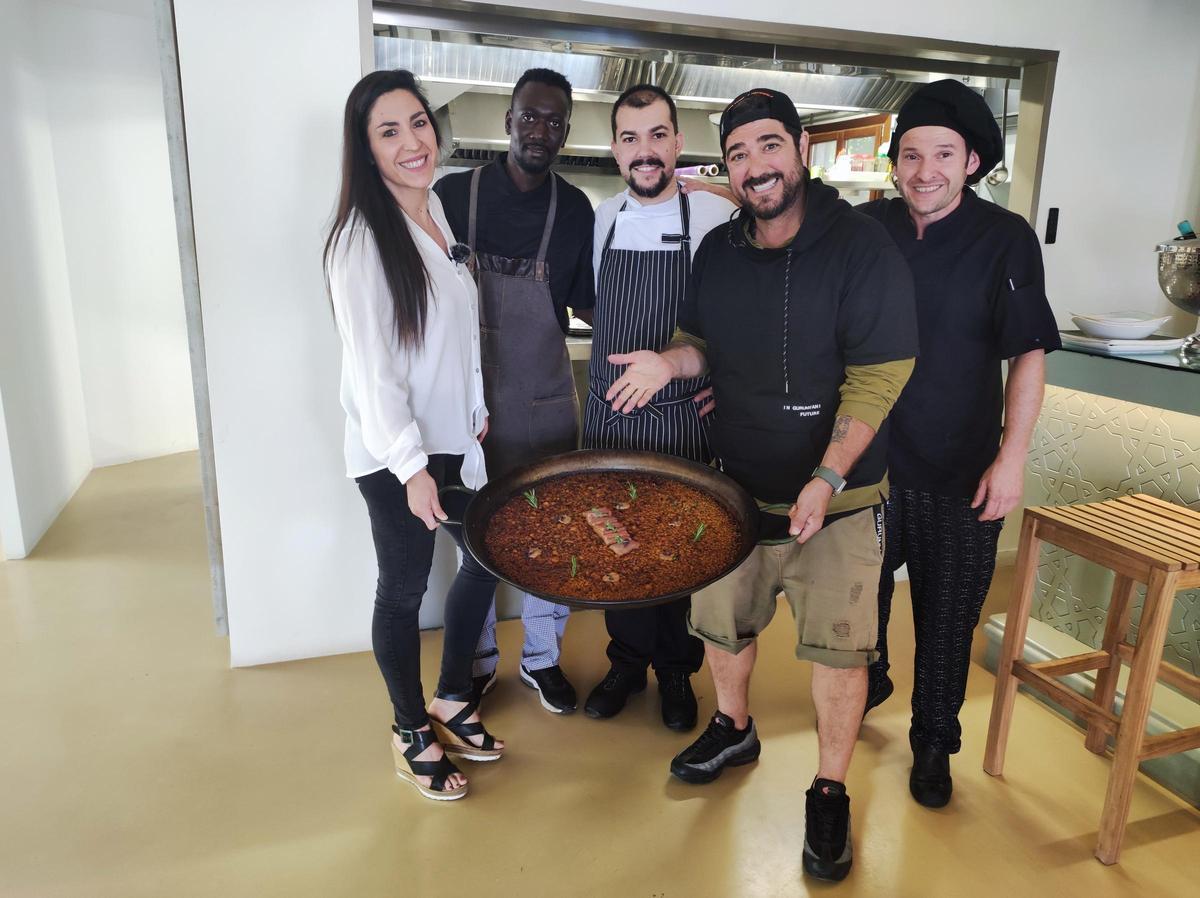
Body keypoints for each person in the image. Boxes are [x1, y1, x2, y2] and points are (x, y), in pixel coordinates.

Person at [606, 87, 917, 882]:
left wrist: (827, 474)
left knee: (841, 656)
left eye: (769, 146)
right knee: (723, 629)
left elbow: (880, 376)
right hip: (737, 488)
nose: (755, 167)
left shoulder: (860, 247)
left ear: (802, 149)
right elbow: (696, 342)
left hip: (837, 502)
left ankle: (829, 789)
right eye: (739, 154)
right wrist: (666, 364)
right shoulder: (720, 251)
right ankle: (734, 727)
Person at [857, 79, 1060, 808]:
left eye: (943, 153)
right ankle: (869, 677)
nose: (924, 170)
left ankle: (933, 742)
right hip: (870, 468)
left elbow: (1029, 354)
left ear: (973, 160)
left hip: (960, 469)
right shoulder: (866, 227)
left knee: (947, 622)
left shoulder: (1004, 238)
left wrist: (1012, 459)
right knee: (858, 606)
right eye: (910, 154)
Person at [324, 70, 505, 801]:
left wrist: (476, 408)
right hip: (394, 453)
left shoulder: (435, 214)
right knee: (401, 590)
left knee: (489, 556)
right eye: (389, 131)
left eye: (419, 123)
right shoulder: (360, 243)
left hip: (453, 443)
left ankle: (453, 696)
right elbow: (375, 374)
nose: (412, 142)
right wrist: (410, 466)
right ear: (366, 152)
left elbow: (456, 334)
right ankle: (409, 730)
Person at [434, 68, 595, 714]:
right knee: (476, 537)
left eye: (554, 121)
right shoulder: (451, 196)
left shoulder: (575, 209)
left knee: (552, 535)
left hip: (545, 407)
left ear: (565, 133)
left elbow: (589, 307)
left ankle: (542, 659)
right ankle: (474, 663)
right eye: (530, 116)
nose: (540, 131)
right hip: (465, 409)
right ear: (507, 120)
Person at [580, 84, 736, 731]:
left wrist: (719, 377)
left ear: (676, 141)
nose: (644, 151)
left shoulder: (713, 220)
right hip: (610, 425)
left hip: (681, 426)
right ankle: (626, 661)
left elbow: (741, 323)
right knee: (618, 556)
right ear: (616, 149)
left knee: (679, 553)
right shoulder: (602, 218)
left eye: (656, 135)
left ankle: (676, 670)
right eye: (629, 137)